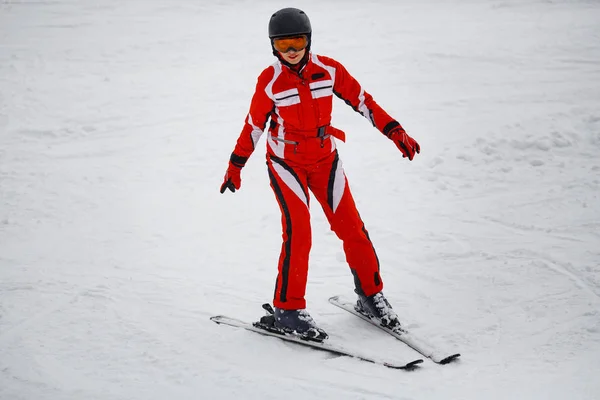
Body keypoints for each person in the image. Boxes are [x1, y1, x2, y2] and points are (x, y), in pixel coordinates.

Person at [220, 7, 420, 341]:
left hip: (325, 160)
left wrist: (394, 130)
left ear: (309, 40)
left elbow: (363, 101)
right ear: (273, 47)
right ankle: (287, 309)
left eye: (297, 41)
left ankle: (370, 295)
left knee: (352, 228)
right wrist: (235, 166)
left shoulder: (328, 70)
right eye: (284, 45)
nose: (292, 50)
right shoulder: (269, 80)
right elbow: (254, 126)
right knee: (299, 231)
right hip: (286, 164)